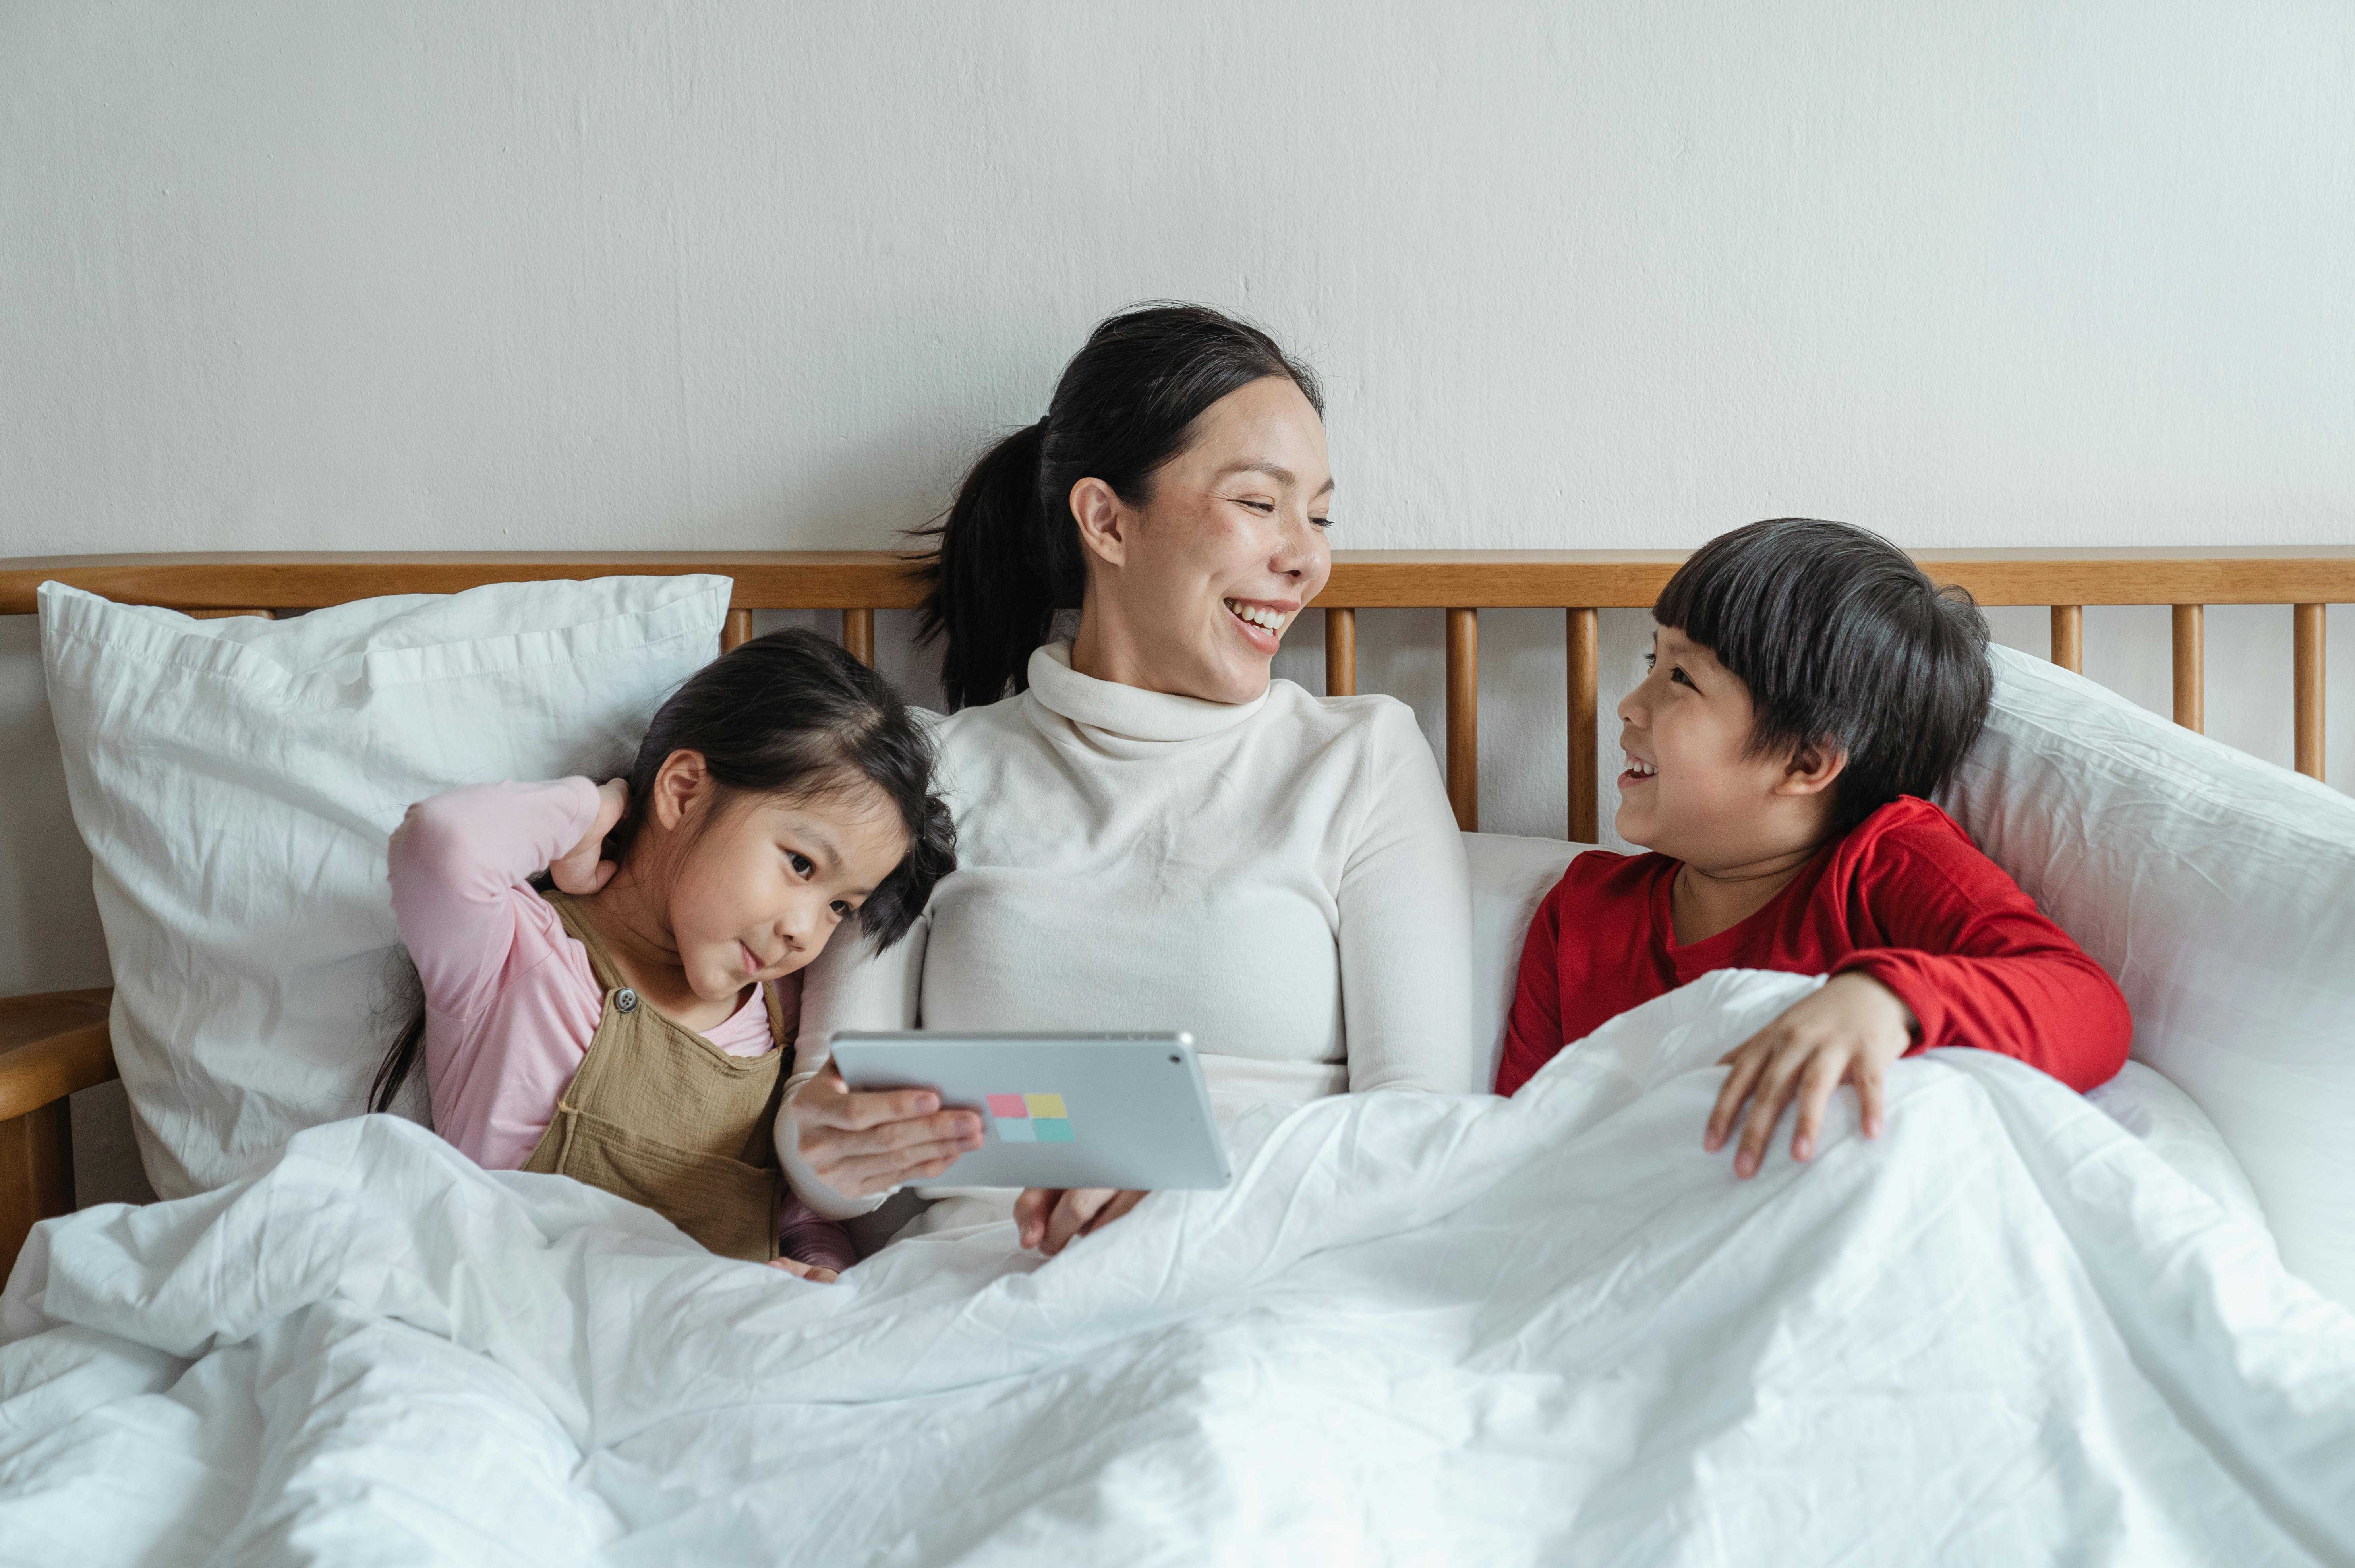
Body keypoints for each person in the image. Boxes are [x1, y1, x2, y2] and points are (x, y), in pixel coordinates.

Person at [778, 302, 1478, 1256]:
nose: (1307, 557)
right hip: (979, 1282)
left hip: (1266, 1270)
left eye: (1318, 515)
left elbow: (1422, 1129)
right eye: (1261, 503)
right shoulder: (931, 769)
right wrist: (829, 1143)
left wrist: (1183, 1194)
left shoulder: (1359, 759)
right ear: (1106, 520)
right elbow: (827, 1125)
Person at [1494, 518, 2131, 1177]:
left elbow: (2089, 1007)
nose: (1629, 704)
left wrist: (1890, 1000)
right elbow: (1517, 1141)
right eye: (1655, 662)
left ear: (1804, 761)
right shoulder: (1585, 913)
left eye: (1681, 678)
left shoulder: (1887, 865)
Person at [372, 628, 957, 1279]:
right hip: (520, 1325)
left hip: (701, 1345)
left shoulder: (780, 1018)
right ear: (682, 791)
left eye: (840, 907)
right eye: (801, 863)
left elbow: (797, 1216)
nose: (807, 933)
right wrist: (593, 810)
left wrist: (817, 1274)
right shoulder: (517, 953)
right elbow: (439, 843)